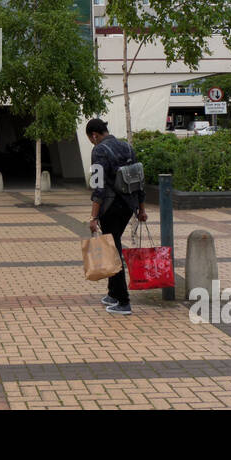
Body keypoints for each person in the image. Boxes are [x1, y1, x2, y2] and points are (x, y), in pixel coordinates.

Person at [86, 118, 147, 315]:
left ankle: (123, 301)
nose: (92, 142)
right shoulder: (126, 147)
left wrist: (93, 217)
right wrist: (141, 209)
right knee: (114, 245)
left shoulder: (99, 151)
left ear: (94, 135)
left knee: (113, 251)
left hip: (110, 207)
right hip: (128, 206)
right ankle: (112, 293)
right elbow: (139, 180)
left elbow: (98, 186)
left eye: (91, 139)